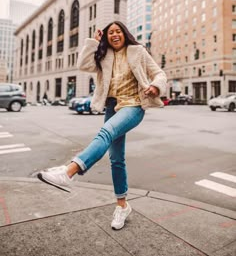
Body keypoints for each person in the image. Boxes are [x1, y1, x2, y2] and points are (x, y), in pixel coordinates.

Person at [37, 21, 167, 230]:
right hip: (112, 106)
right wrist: (93, 43)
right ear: (106, 37)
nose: (114, 35)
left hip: (133, 105)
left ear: (124, 34)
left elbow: (159, 73)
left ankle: (69, 172)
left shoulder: (138, 51)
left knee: (106, 132)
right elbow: (82, 65)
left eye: (118, 31)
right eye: (110, 33)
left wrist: (155, 86)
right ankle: (122, 206)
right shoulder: (103, 54)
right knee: (116, 159)